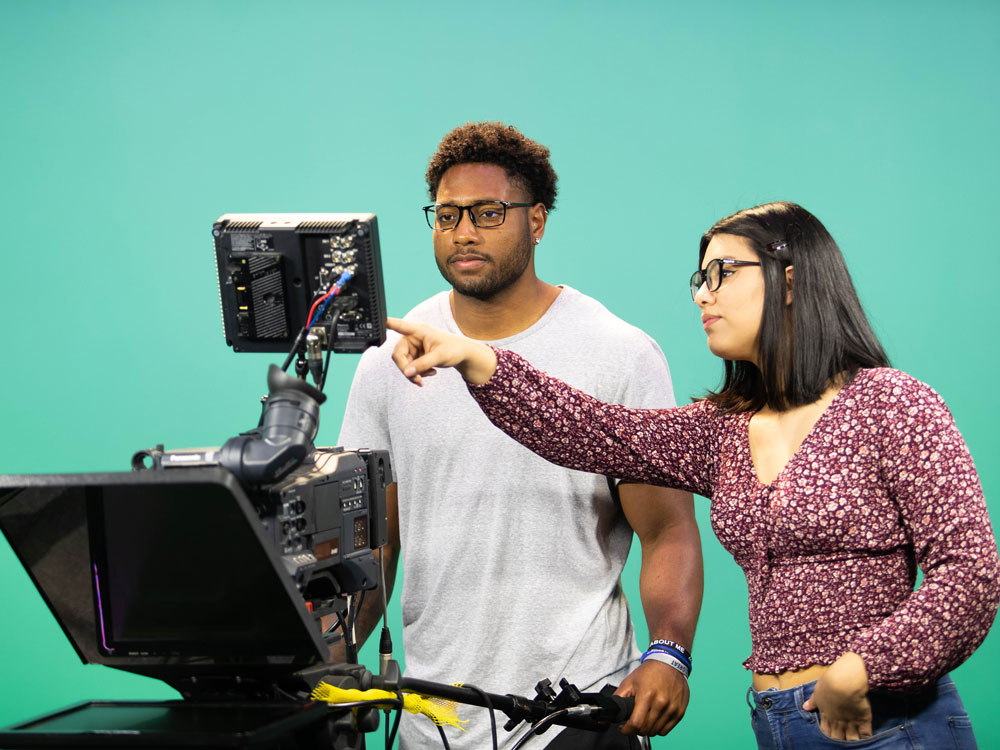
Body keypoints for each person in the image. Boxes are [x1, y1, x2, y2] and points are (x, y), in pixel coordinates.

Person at [386, 200, 1000, 749]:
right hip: (779, 722)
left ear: (791, 282)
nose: (701, 295)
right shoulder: (725, 428)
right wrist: (476, 359)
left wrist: (862, 667)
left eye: (721, 274)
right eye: (698, 279)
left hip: (882, 722)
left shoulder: (892, 405)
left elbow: (971, 574)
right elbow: (595, 431)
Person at [337, 122, 703, 749]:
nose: (464, 231)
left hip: (578, 709)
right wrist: (331, 660)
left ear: (536, 220)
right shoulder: (389, 359)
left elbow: (667, 529)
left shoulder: (618, 353)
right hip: (433, 719)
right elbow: (375, 548)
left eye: (487, 212)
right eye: (447, 214)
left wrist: (669, 654)